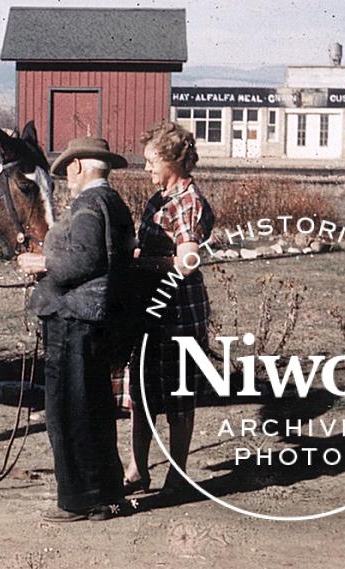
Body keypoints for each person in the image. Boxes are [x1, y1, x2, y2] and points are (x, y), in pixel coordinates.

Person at [17, 137, 136, 522]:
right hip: (94, 319)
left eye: (68, 167)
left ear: (80, 166)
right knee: (94, 409)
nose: (67, 175)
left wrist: (41, 262)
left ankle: (77, 500)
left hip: (74, 320)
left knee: (68, 413)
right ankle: (105, 495)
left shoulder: (88, 204)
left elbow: (83, 260)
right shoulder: (113, 202)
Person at [123, 121, 215, 497]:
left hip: (177, 311)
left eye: (151, 161)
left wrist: (143, 265)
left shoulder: (188, 203)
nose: (146, 169)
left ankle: (177, 476)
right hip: (149, 308)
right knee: (141, 392)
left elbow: (187, 259)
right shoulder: (158, 199)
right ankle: (137, 470)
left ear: (173, 161)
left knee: (177, 395)